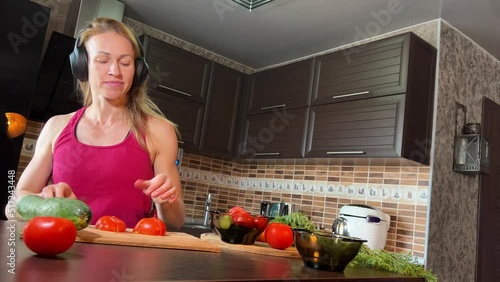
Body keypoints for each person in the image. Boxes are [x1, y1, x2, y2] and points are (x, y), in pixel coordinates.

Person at [10, 17, 185, 229]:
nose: (115, 71)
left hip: (130, 259)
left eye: (125, 62)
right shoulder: (56, 126)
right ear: (82, 66)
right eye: (102, 60)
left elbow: (176, 223)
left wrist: (164, 202)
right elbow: (15, 204)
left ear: (138, 71)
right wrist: (44, 203)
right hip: (62, 254)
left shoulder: (159, 131)